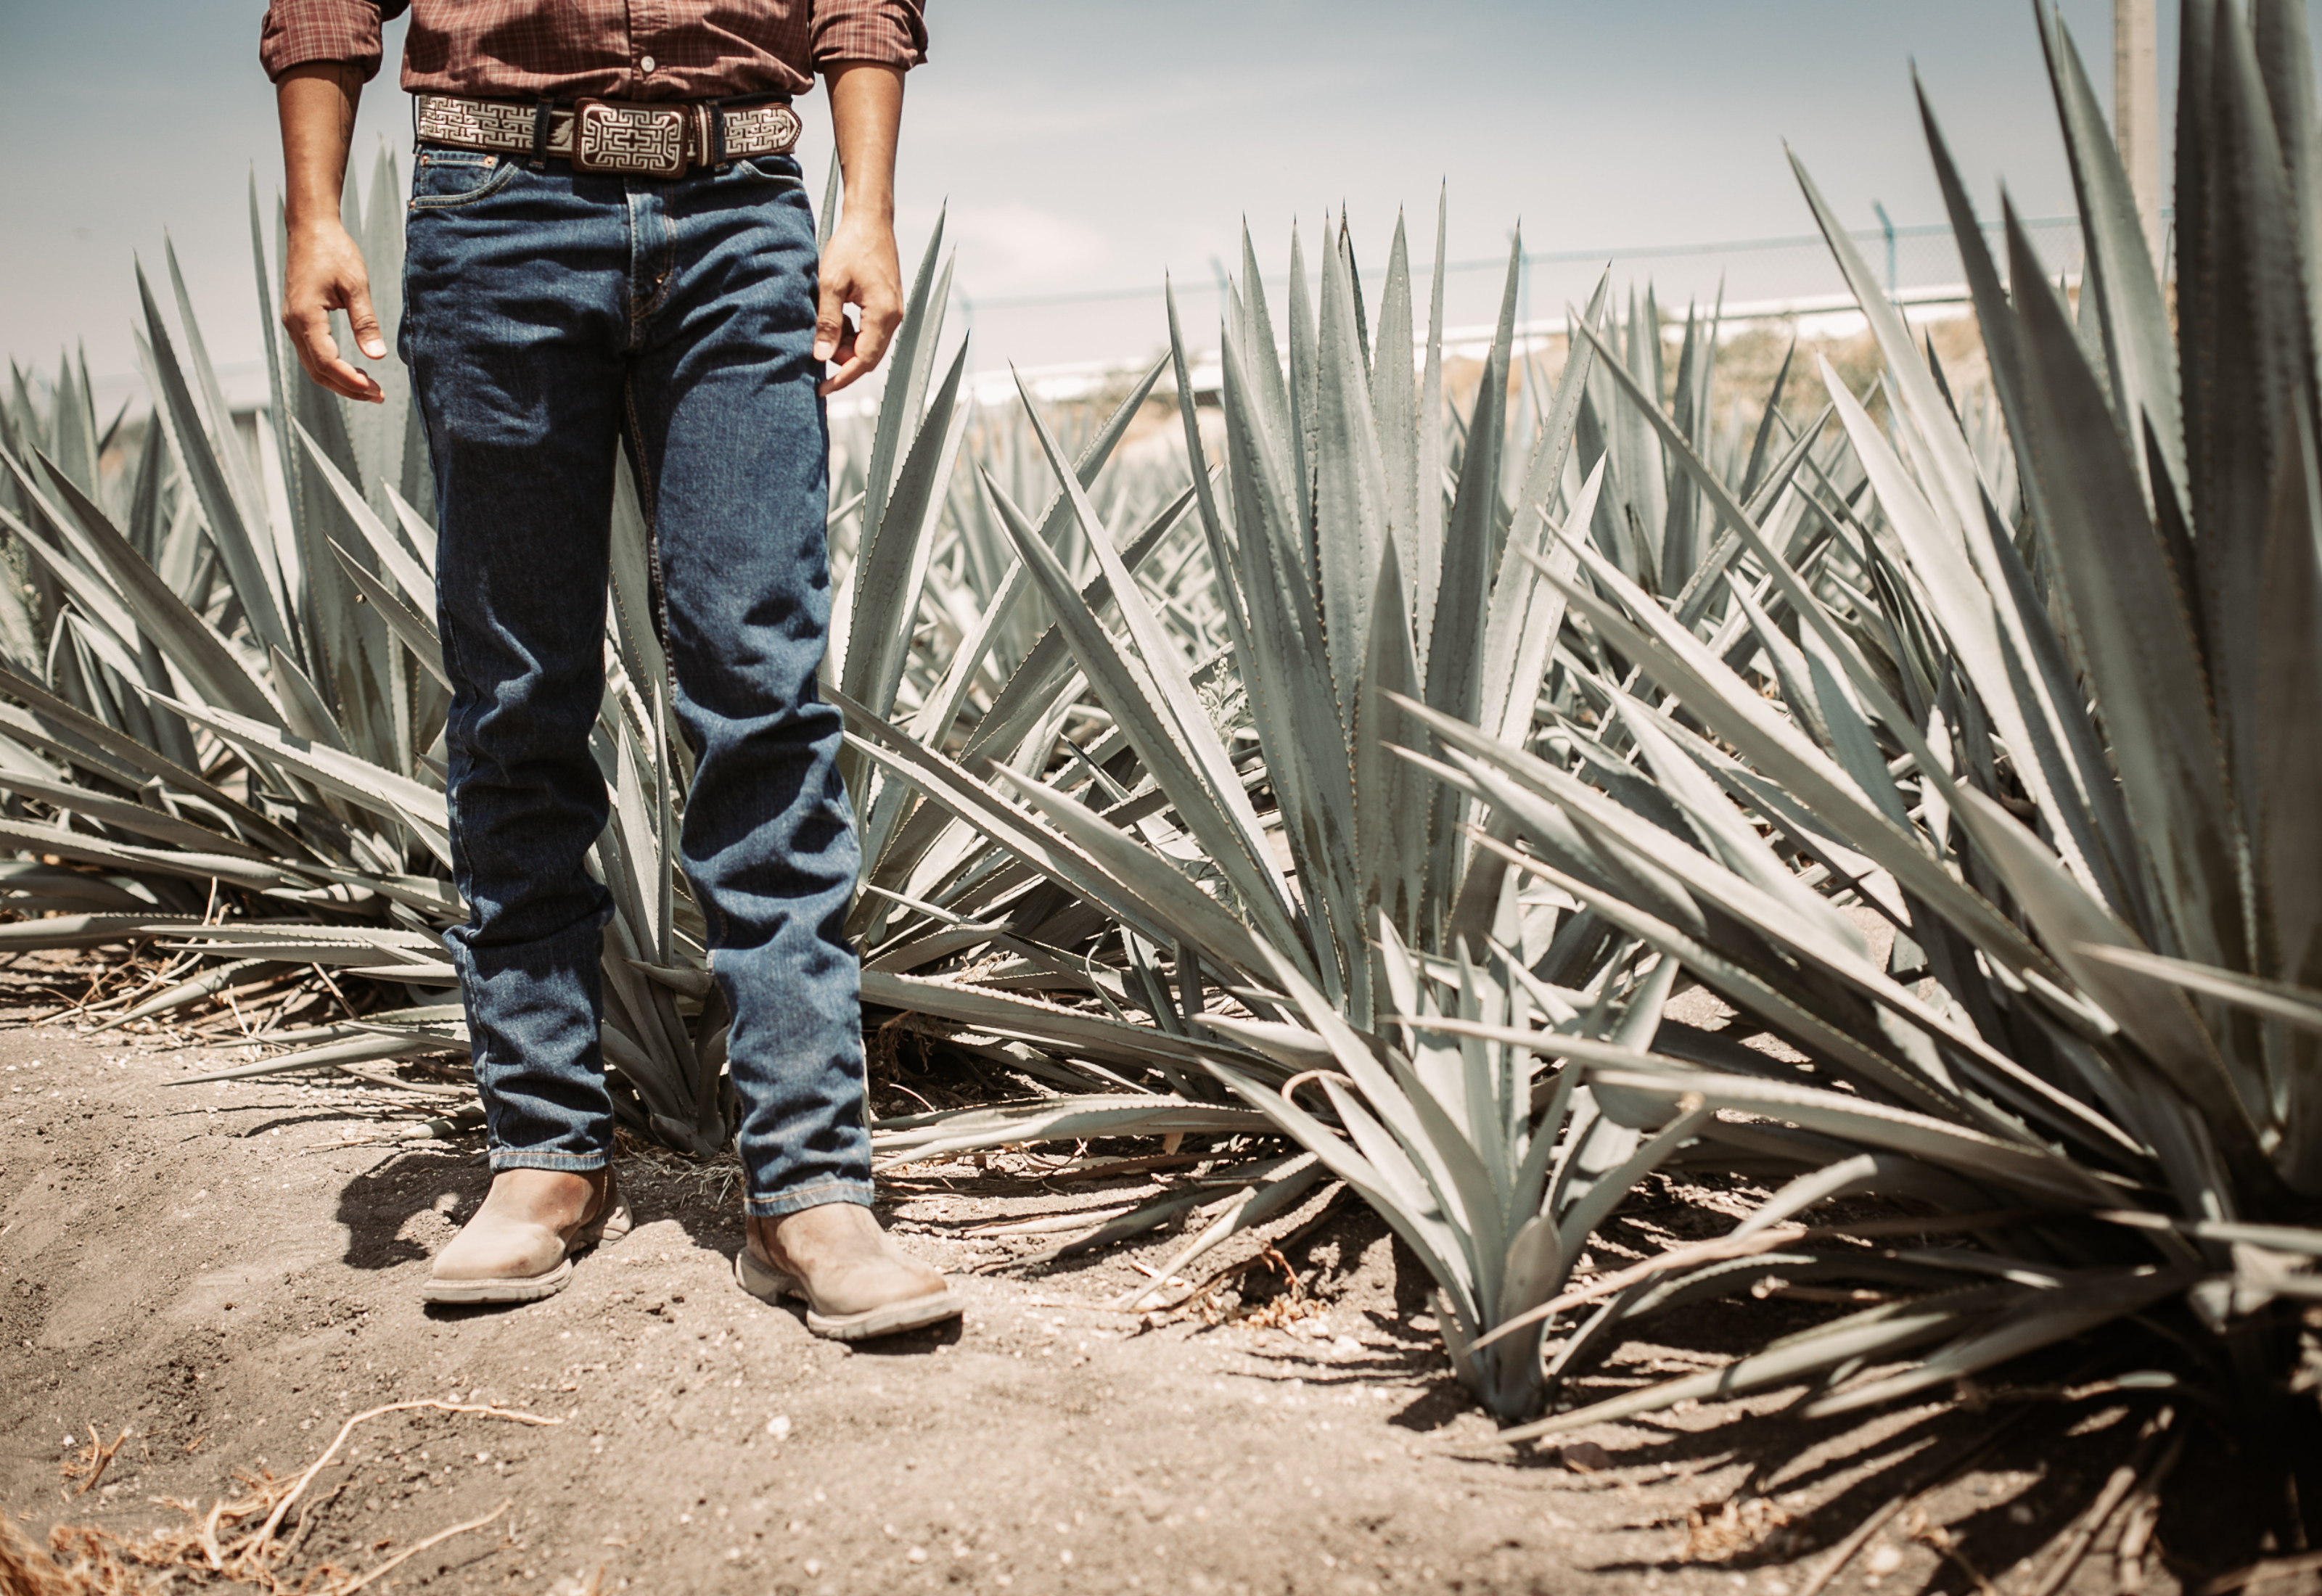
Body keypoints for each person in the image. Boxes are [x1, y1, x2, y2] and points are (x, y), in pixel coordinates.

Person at [260, 0, 959, 1341]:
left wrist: (864, 205)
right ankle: (543, 1158)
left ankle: (807, 1190)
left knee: (764, 697)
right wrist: (315, 210)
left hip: (743, 204)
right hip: (493, 203)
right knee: (519, 698)